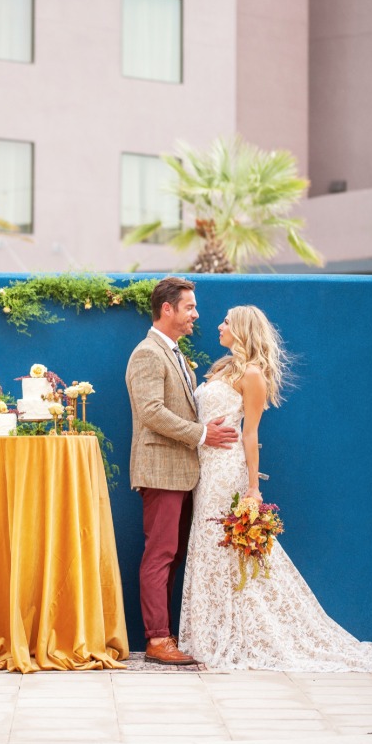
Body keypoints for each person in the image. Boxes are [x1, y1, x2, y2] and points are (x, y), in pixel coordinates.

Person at [178, 304, 372, 671]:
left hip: (227, 471)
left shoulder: (252, 374)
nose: (219, 325)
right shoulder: (221, 368)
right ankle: (210, 632)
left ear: (242, 329)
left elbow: (251, 433)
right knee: (209, 549)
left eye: (227, 321)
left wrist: (252, 489)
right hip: (205, 470)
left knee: (229, 551)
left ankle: (242, 633)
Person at [125, 277, 239, 665]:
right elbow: (152, 413)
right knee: (160, 554)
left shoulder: (172, 352)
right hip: (161, 470)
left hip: (182, 471)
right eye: (189, 307)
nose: (196, 314)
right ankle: (157, 640)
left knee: (171, 556)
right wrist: (204, 434)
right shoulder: (147, 353)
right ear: (167, 309)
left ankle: (166, 635)